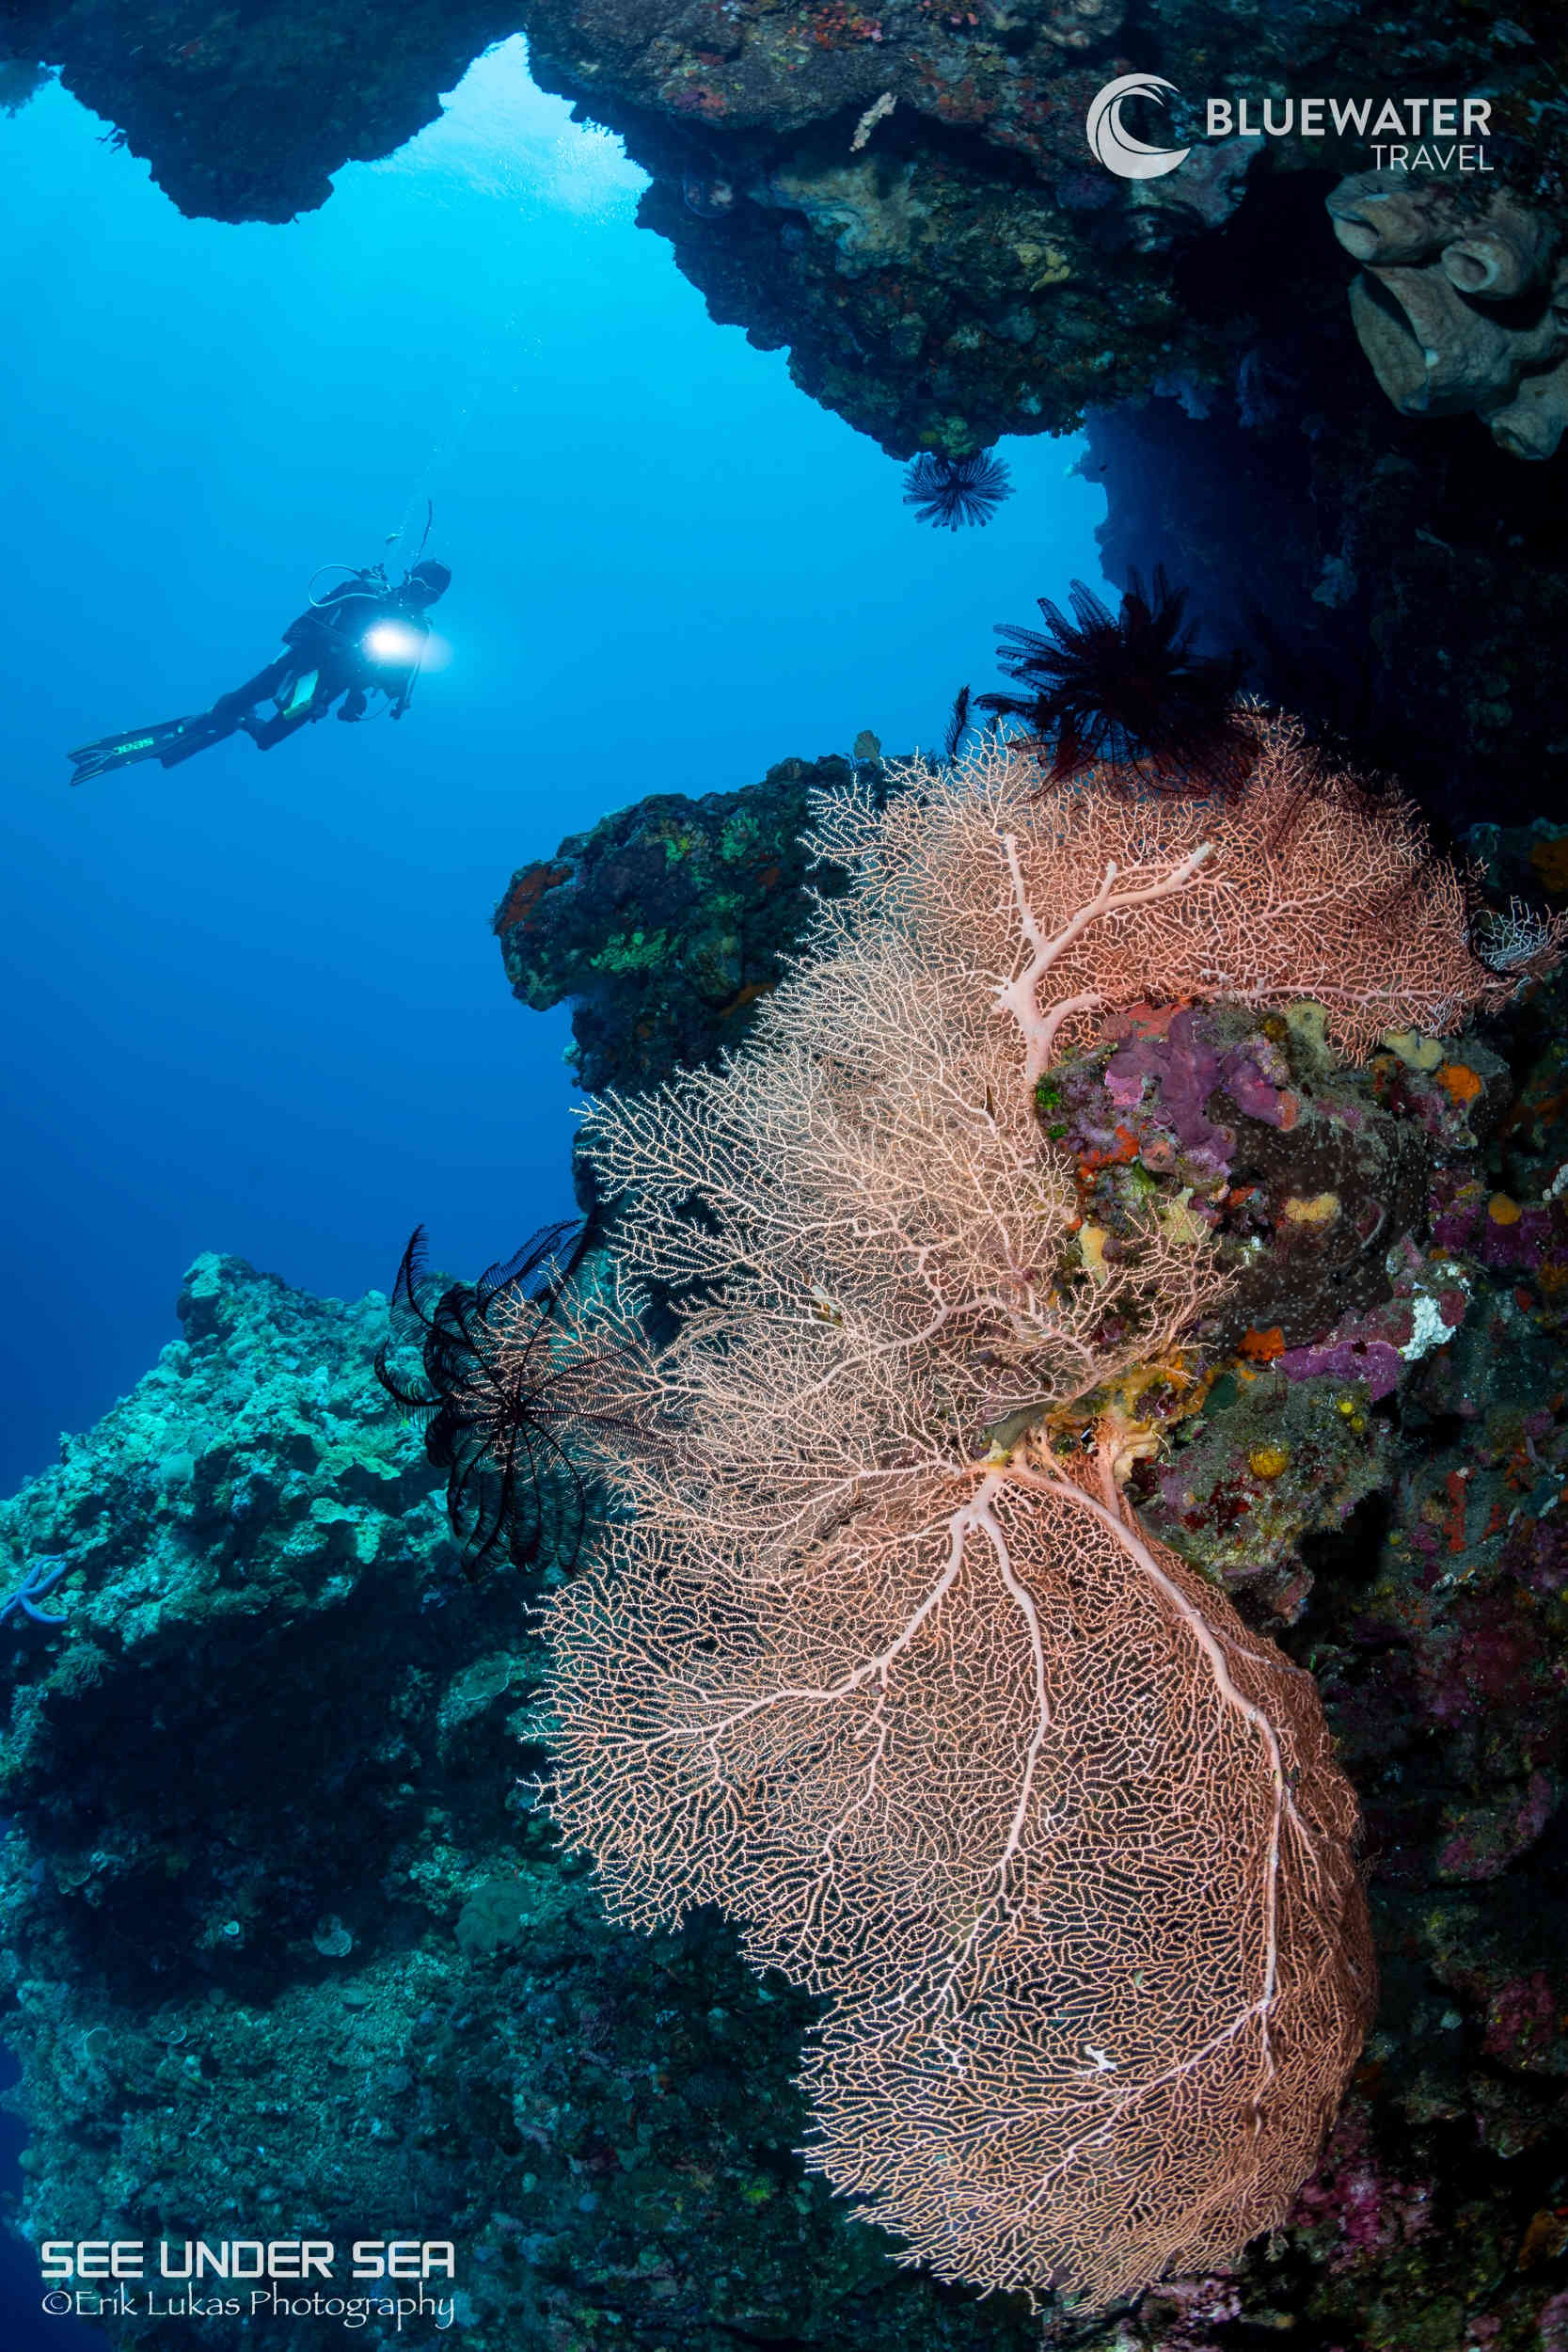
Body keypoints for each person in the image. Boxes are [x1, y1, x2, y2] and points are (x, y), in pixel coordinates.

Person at [67, 558, 451, 784]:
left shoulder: (415, 632)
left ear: (436, 600)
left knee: (267, 739)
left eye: (430, 593)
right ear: (407, 577)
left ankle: (238, 722)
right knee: (233, 702)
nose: (421, 594)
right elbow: (302, 624)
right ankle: (213, 719)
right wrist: (321, 644)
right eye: (419, 584)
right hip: (301, 663)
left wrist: (355, 696)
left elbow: (393, 682)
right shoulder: (363, 593)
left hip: (324, 689)